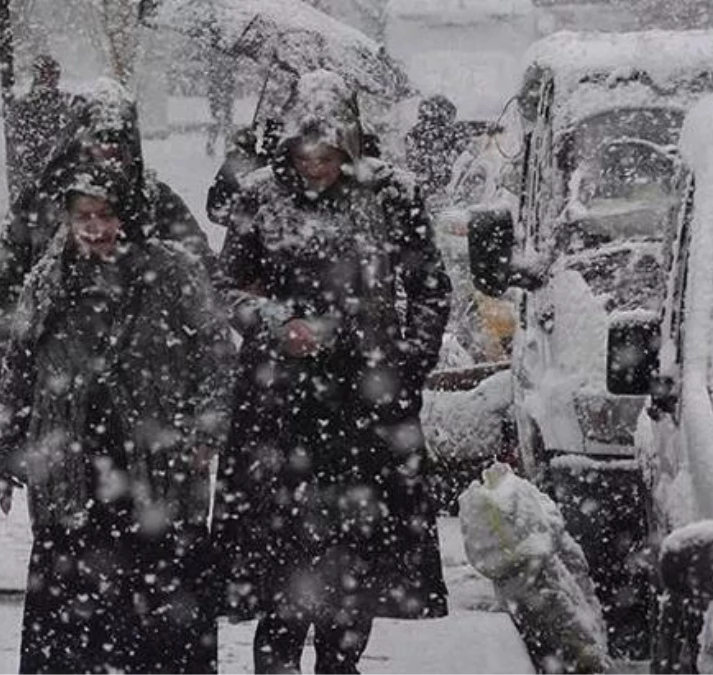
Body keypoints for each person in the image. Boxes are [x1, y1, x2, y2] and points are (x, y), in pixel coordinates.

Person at [212, 70, 452, 675]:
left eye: (327, 153)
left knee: (357, 555)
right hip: (277, 406)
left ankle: (339, 662)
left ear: (348, 145)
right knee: (281, 550)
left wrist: (404, 367)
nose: (315, 165)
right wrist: (274, 321)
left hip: (365, 407)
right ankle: (279, 659)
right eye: (304, 152)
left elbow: (429, 289)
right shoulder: (260, 196)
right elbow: (226, 287)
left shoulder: (391, 194)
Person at [0, 164, 233, 673]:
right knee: (73, 617)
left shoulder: (172, 270)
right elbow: (17, 364)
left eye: (105, 215)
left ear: (130, 215)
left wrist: (207, 425)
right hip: (71, 466)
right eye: (83, 216)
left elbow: (216, 350)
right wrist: (5, 447)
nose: (94, 228)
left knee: (161, 611)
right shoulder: (49, 276)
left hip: (157, 466)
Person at [0, 79, 214, 525]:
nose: (109, 153)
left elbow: (206, 291)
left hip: (146, 412)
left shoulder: (158, 202)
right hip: (64, 412)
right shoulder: (41, 204)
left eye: (119, 142)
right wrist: (43, 344)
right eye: (98, 140)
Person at [8, 54, 72, 200]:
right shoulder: (22, 106)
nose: (50, 79)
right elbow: (19, 146)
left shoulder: (66, 104)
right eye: (45, 74)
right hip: (34, 175)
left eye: (53, 74)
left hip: (57, 175)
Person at [405, 95, 463, 200]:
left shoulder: (413, 133)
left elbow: (411, 162)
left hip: (420, 185)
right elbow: (465, 128)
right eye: (450, 115)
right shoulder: (444, 132)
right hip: (432, 185)